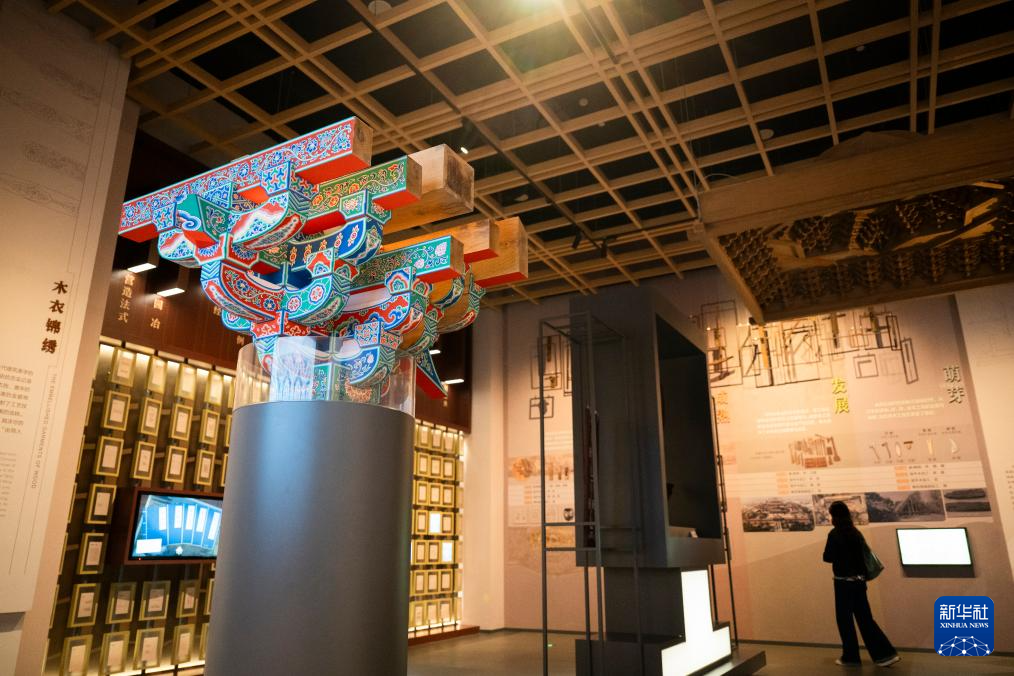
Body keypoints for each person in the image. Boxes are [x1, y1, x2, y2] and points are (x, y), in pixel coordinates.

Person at [822, 501, 900, 668]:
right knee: (865, 619)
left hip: (843, 583)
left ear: (834, 516)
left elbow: (827, 557)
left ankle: (851, 657)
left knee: (845, 621)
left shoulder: (834, 534)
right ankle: (885, 655)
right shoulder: (855, 533)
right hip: (859, 582)